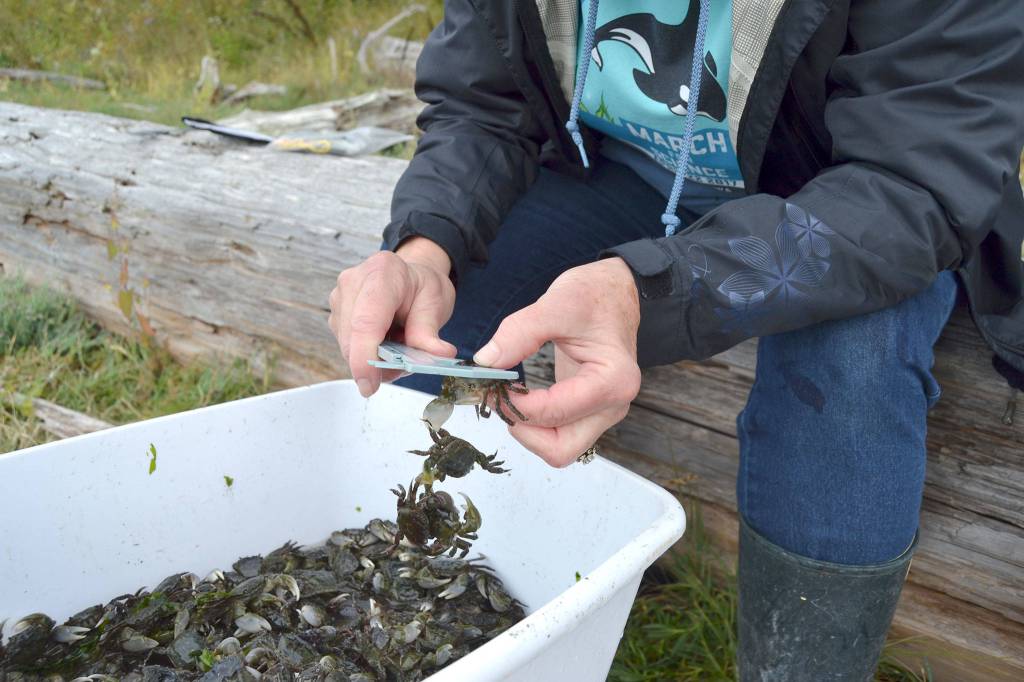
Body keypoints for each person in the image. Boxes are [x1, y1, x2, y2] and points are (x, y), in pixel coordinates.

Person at [328, 0, 1024, 678]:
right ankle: (412, 633)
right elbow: (482, 101)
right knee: (435, 333)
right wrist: (425, 245)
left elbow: (914, 180)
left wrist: (647, 292)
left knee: (846, 377)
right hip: (617, 170)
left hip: (847, 199)